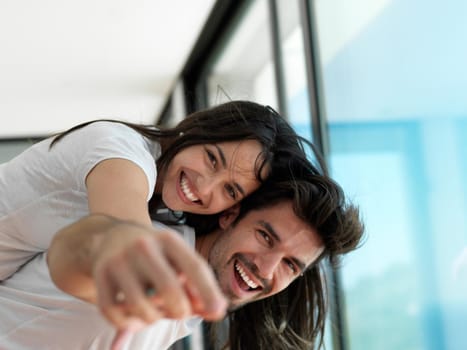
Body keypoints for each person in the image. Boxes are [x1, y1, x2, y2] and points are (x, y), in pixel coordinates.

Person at [0, 158, 364, 349]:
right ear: (230, 215)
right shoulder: (145, 249)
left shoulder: (185, 315)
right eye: (266, 237)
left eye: (290, 264)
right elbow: (77, 255)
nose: (266, 268)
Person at [0, 100, 314, 282]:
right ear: (199, 129)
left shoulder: (165, 206)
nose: (205, 188)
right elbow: (125, 231)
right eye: (211, 159)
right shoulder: (122, 152)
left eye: (230, 190)